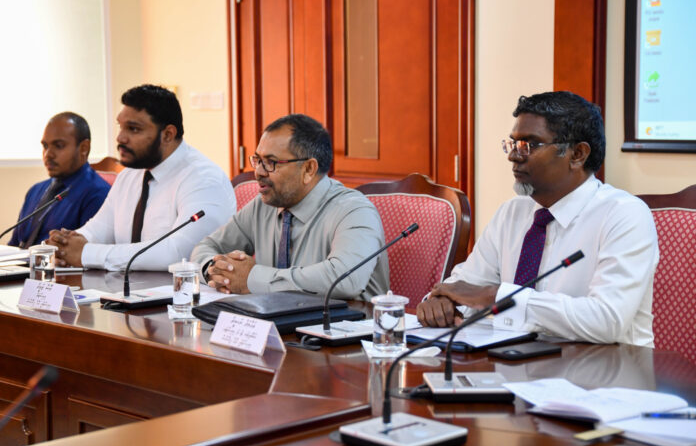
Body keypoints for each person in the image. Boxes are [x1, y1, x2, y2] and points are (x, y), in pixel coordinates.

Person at [417, 91, 658, 347]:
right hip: (516, 360)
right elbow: (467, 285)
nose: (513, 155)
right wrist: (442, 302)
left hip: (608, 366)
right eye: (513, 144)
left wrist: (499, 296)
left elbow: (607, 321)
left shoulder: (624, 215)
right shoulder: (512, 212)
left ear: (577, 154)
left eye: (530, 145)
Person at [190, 114, 388, 300]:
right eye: (257, 160)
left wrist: (253, 278)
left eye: (271, 162)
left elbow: (345, 279)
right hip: (273, 321)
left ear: (309, 169)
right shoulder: (264, 205)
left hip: (347, 324)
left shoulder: (354, 211)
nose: (258, 172)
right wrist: (215, 271)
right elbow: (206, 247)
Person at [48, 84, 236, 271]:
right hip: (124, 287)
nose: (120, 138)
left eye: (133, 129)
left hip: (181, 290)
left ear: (168, 135)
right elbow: (97, 230)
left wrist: (87, 253)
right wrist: (64, 246)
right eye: (121, 127)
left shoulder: (204, 179)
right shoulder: (130, 175)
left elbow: (180, 253)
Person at [9, 112, 109, 248]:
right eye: (45, 146)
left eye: (59, 145)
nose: (48, 154)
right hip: (22, 261)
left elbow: (85, 253)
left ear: (84, 148)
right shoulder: (35, 190)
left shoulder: (98, 194)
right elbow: (14, 245)